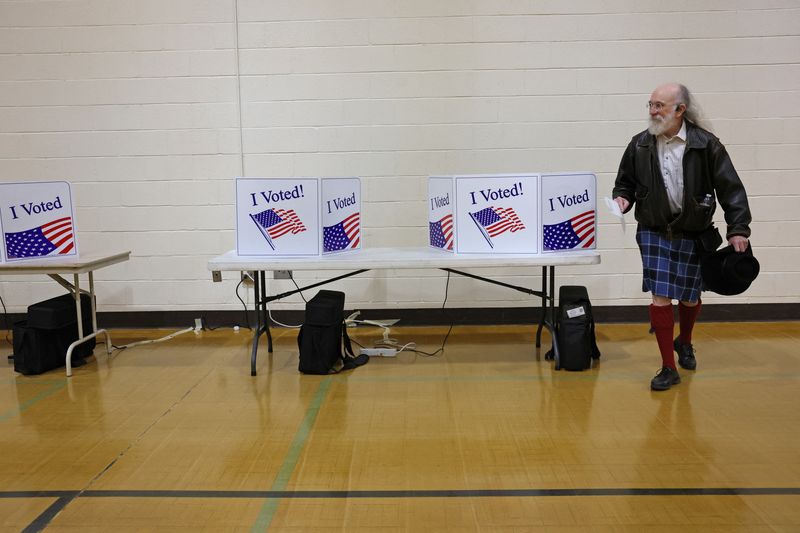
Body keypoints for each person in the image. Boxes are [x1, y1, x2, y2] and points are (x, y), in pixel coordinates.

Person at [612, 83, 752, 391]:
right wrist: (623, 199)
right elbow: (624, 183)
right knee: (661, 297)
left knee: (690, 296)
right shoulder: (640, 145)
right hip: (653, 229)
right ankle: (667, 366)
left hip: (693, 230)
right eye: (650, 104)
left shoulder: (707, 145)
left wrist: (738, 228)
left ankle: (684, 341)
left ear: (680, 109)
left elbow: (731, 189)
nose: (653, 111)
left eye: (660, 105)